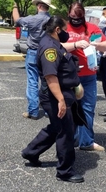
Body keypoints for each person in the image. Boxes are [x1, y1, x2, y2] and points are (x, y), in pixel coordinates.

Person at [21, 15, 84, 183]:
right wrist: (61, 100)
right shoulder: (49, 48)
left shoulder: (54, 43)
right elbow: (50, 77)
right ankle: (65, 171)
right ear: (57, 30)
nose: (67, 33)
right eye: (65, 30)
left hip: (61, 94)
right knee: (65, 132)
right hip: (55, 96)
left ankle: (31, 152)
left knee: (57, 127)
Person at [63, 1, 106, 151]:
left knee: (88, 108)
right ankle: (70, 139)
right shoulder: (64, 27)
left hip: (89, 76)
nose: (76, 20)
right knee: (69, 110)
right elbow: (55, 46)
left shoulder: (92, 28)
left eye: (79, 16)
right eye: (73, 17)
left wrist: (95, 44)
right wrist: (76, 45)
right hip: (69, 76)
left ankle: (86, 141)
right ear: (68, 15)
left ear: (84, 15)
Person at [12, 0, 55, 120]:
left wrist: (15, 6)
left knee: (32, 81)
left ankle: (33, 111)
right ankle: (49, 110)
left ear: (39, 6)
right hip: (47, 53)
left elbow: (17, 20)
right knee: (48, 81)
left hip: (33, 52)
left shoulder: (32, 19)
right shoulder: (52, 20)